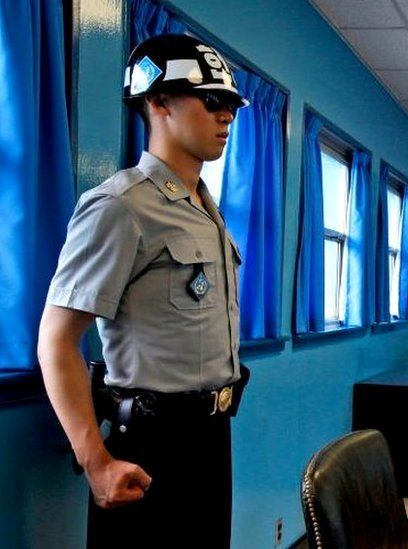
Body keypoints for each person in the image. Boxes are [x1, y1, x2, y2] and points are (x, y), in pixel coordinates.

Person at [36, 34, 249, 548]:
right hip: (151, 446)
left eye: (232, 106)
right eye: (212, 101)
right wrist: (96, 463)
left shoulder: (205, 208)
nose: (226, 117)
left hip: (212, 437)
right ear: (158, 101)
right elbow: (57, 340)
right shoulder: (121, 205)